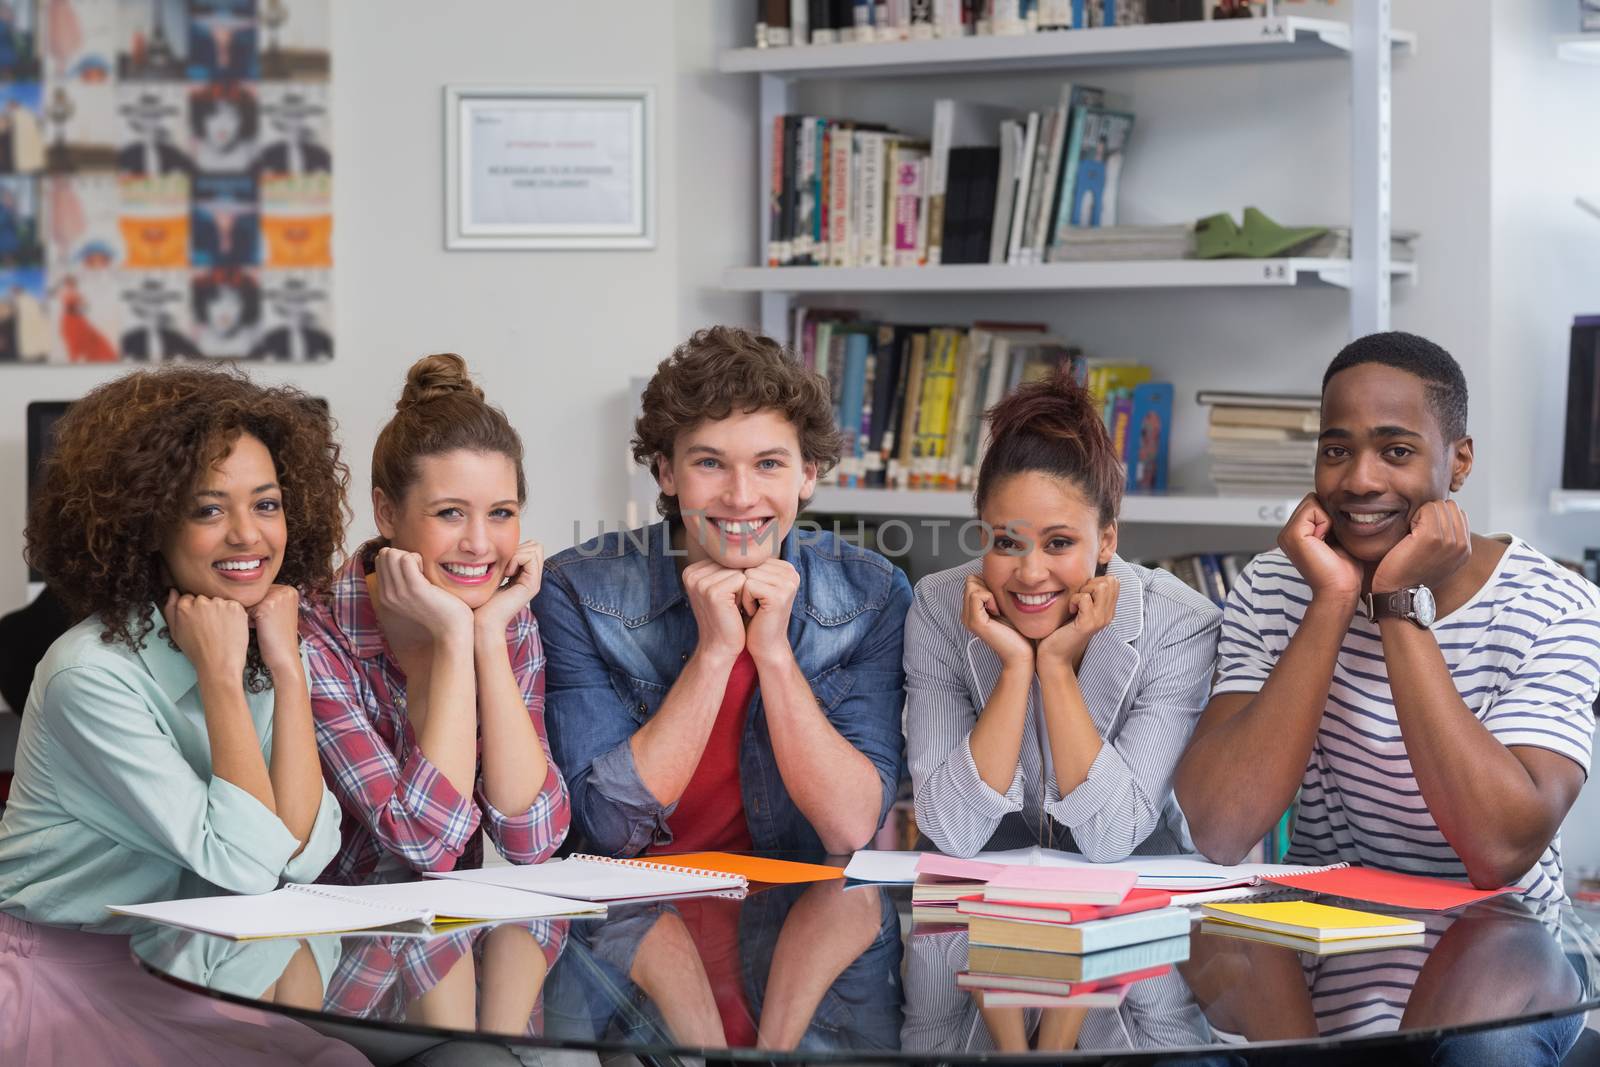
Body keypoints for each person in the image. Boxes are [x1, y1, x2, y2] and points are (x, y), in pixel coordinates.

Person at [1174, 331, 1600, 902]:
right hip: (1318, 938)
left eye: (1396, 451)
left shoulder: (1557, 608)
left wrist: (1397, 602)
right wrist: (1331, 602)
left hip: (1499, 953)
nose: (1359, 481)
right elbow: (1220, 829)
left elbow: (1499, 853)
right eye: (1336, 450)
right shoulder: (1277, 584)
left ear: (1459, 461)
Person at [536, 325, 911, 857]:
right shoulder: (578, 590)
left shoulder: (872, 594)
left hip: (796, 909)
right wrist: (714, 654)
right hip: (632, 909)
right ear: (667, 472)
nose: (740, 496)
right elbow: (604, 830)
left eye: (769, 464)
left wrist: (774, 655)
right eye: (709, 463)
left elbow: (849, 827)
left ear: (808, 474)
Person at [0, 365, 347, 928]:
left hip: (198, 958)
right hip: (69, 968)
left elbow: (302, 858)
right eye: (208, 509)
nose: (247, 535)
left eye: (266, 504)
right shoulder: (89, 675)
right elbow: (249, 866)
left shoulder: (272, 642)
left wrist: (287, 668)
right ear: (149, 524)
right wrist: (219, 675)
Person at [904, 371, 1221, 860]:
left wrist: (1053, 668)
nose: (1031, 573)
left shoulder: (1179, 623)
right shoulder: (938, 607)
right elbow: (951, 830)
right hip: (979, 903)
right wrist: (1015, 669)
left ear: (1107, 540)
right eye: (1006, 542)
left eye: (1059, 543)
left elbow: (1111, 836)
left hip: (1133, 895)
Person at [302, 353, 569, 883]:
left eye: (501, 514)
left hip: (449, 942)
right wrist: (452, 637)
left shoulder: (505, 617)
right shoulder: (317, 634)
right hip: (329, 946)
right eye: (450, 512)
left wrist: (488, 637)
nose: (478, 544)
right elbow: (424, 845)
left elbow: (532, 839)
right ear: (386, 513)